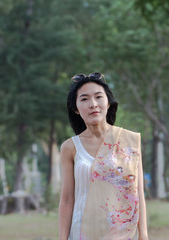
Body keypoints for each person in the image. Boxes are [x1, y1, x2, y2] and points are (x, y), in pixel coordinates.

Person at [58, 72, 148, 240]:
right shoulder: (70, 147)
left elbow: (138, 193)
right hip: (82, 233)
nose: (93, 104)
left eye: (98, 97)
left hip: (122, 234)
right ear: (76, 109)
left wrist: (143, 235)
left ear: (108, 103)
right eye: (84, 99)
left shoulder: (130, 141)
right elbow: (67, 199)